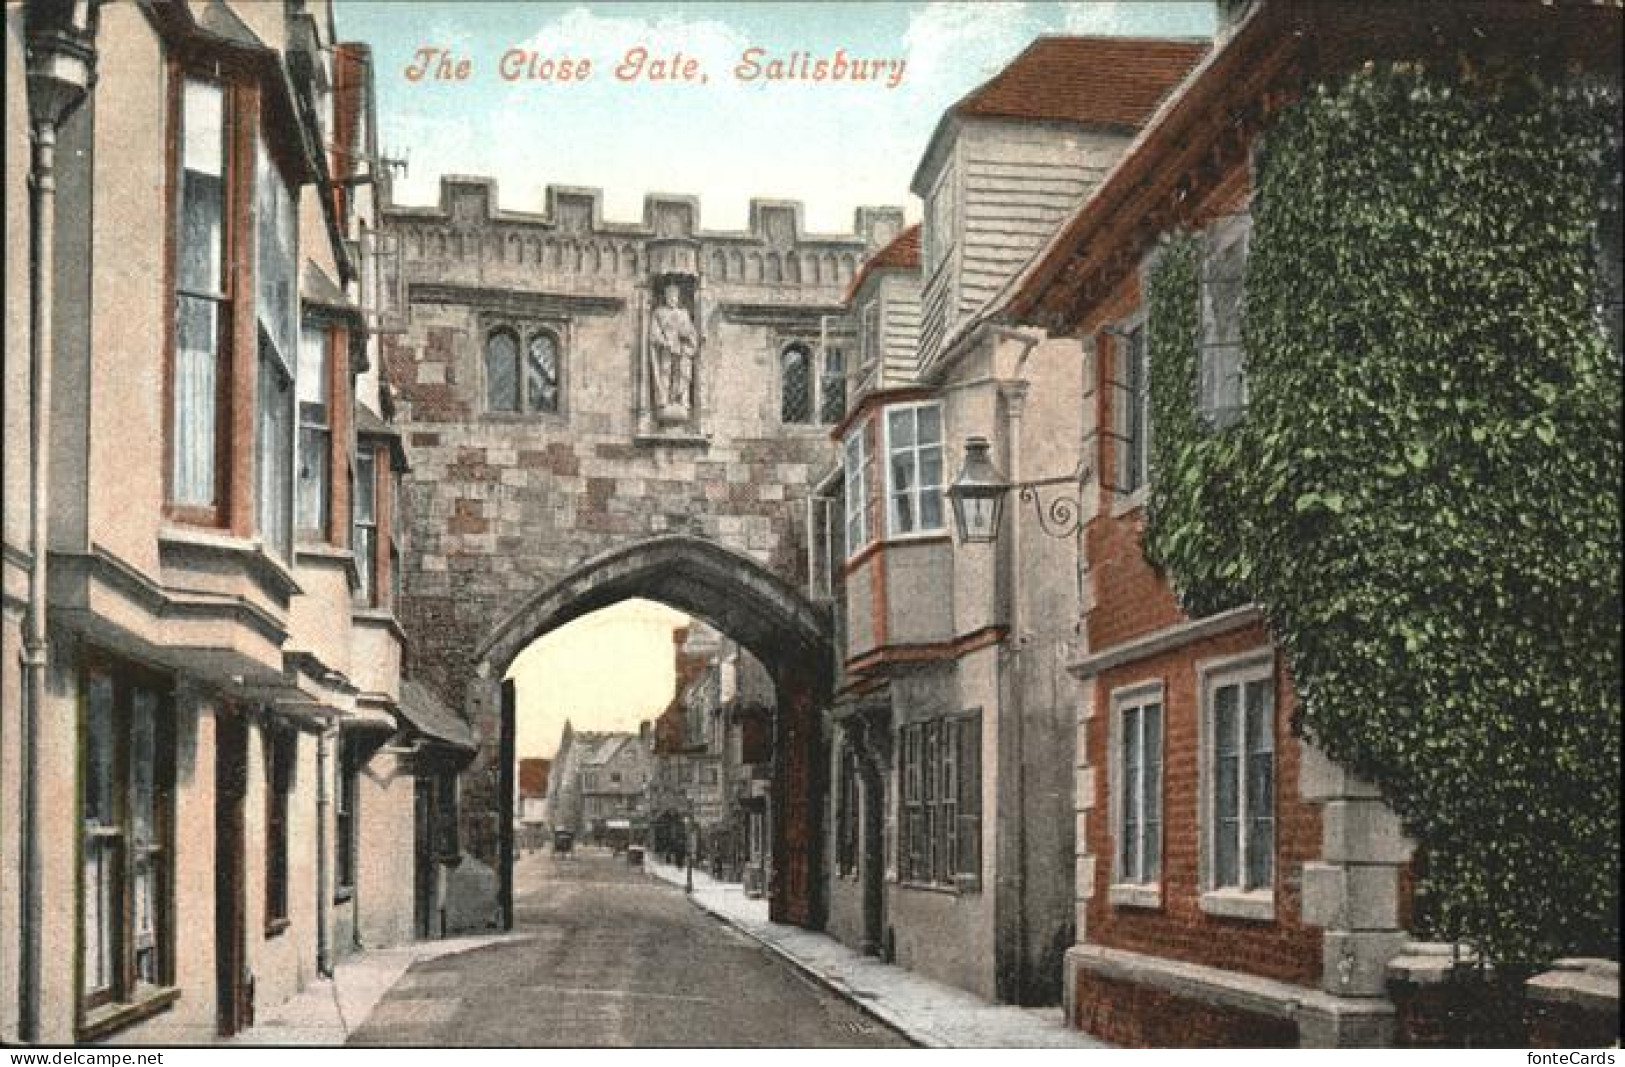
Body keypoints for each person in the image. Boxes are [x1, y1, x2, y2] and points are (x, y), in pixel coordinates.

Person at [649, 282, 698, 417]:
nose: (672, 298)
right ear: (665, 297)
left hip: (682, 350)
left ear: (678, 297)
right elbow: (654, 332)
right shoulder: (659, 312)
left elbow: (691, 332)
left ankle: (682, 400)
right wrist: (664, 342)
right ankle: (664, 400)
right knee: (665, 373)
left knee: (683, 375)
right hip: (666, 349)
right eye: (669, 295)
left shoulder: (684, 313)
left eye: (674, 296)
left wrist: (687, 335)